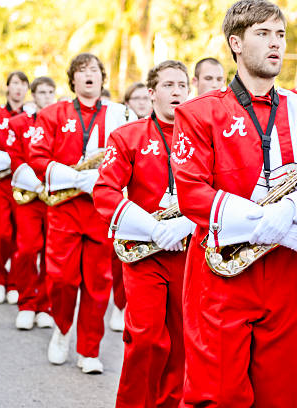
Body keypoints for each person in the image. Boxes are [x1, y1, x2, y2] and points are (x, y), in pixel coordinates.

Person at [171, 1, 297, 406]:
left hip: (287, 272)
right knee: (218, 394)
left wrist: (293, 212)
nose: (275, 44)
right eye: (262, 34)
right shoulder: (197, 113)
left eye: (280, 35)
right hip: (222, 271)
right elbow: (192, 191)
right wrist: (262, 220)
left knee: (280, 395)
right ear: (236, 42)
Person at [93, 60, 193, 407]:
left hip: (189, 251)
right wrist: (152, 226)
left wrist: (189, 221)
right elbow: (105, 191)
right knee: (147, 339)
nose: (177, 91)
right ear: (151, 94)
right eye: (168, 85)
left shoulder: (202, 134)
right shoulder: (127, 135)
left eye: (182, 85)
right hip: (143, 251)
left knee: (182, 342)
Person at [29, 52, 137, 374]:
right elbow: (36, 157)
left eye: (94, 71)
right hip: (64, 209)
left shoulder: (120, 113)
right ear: (73, 79)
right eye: (82, 70)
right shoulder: (53, 113)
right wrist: (77, 178)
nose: (89, 75)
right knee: (61, 278)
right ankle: (61, 329)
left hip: (101, 213)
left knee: (98, 284)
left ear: (103, 78)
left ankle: (89, 350)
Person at [6, 76, 56, 330]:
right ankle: (26, 303)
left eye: (51, 92)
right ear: (33, 95)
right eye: (42, 92)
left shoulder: (62, 122)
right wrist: (36, 186)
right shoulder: (17, 123)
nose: (46, 97)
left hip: (56, 196)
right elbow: (15, 160)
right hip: (29, 196)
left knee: (51, 252)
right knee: (27, 249)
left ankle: (45, 305)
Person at [0, 71, 29, 304]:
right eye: (14, 84)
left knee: (23, 237)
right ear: (7, 88)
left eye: (23, 84)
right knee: (0, 233)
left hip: (25, 183)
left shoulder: (33, 115)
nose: (18, 89)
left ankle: (15, 283)